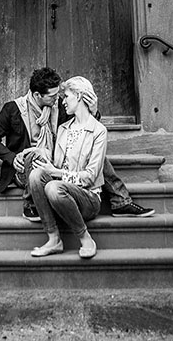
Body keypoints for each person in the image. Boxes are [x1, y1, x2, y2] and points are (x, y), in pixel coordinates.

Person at [0, 67, 155, 222]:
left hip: (57, 162)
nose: (58, 98)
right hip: (25, 169)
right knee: (35, 153)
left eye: (59, 94)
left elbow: (85, 132)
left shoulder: (59, 106)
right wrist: (12, 158)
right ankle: (31, 205)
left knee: (94, 150)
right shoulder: (13, 109)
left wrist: (94, 111)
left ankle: (121, 202)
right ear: (37, 95)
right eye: (52, 96)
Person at [27, 76, 109, 258]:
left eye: (67, 96)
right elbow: (57, 164)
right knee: (36, 176)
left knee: (53, 186)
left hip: (88, 198)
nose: (62, 101)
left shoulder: (98, 131)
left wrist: (55, 172)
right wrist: (42, 157)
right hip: (60, 192)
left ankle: (85, 237)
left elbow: (90, 176)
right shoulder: (64, 128)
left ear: (79, 96)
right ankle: (53, 238)